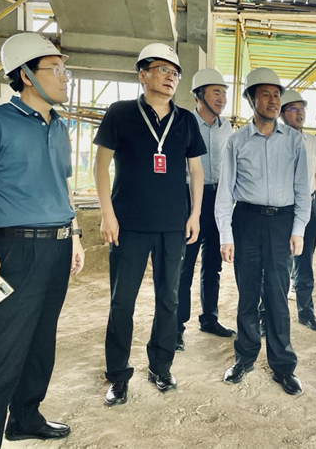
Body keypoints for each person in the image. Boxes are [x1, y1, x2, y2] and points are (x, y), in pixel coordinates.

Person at [0, 32, 85, 448]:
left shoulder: (60, 126)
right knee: (2, 348)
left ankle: (25, 417)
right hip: (14, 249)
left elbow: (63, 187)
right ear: (25, 75)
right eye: (55, 69)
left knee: (40, 342)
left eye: (65, 69)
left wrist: (74, 235)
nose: (65, 76)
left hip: (56, 246)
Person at [94, 43, 206, 406]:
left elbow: (196, 170)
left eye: (175, 72)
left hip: (173, 225)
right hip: (128, 224)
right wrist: (107, 213)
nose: (171, 77)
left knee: (169, 300)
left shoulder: (185, 120)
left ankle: (161, 366)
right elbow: (100, 165)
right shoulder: (120, 113)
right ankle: (117, 375)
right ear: (142, 74)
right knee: (121, 302)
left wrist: (195, 214)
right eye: (162, 70)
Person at [215, 68, 310, 396]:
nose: (273, 100)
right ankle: (244, 357)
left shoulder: (295, 141)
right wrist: (226, 235)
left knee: (278, 295)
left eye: (276, 94)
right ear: (251, 99)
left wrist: (298, 229)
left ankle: (283, 365)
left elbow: (302, 189)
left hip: (282, 223)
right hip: (247, 221)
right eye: (265, 94)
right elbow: (225, 192)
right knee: (247, 292)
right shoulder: (237, 141)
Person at [176, 69, 235, 352]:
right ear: (199, 96)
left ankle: (209, 318)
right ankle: (176, 326)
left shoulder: (227, 127)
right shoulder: (184, 123)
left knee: (213, 264)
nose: (222, 98)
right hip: (189, 199)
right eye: (216, 92)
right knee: (184, 265)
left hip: (218, 199)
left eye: (224, 93)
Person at [280, 89, 316, 331]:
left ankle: (306, 313)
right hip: (283, 208)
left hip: (307, 205)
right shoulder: (275, 139)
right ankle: (269, 315)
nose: (300, 113)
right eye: (293, 108)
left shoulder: (312, 141)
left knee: (305, 262)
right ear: (281, 113)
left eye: (302, 109)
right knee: (279, 263)